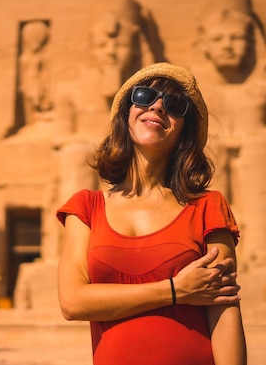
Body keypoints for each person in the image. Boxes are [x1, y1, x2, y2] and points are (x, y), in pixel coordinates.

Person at [56, 62, 246, 365]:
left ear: (185, 129)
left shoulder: (206, 206)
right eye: (144, 96)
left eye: (174, 105)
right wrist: (175, 290)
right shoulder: (86, 207)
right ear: (125, 114)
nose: (157, 106)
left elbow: (224, 312)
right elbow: (72, 303)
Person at [191, 0, 266, 261]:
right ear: (203, 44)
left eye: (236, 38)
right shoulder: (194, 87)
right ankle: (212, 246)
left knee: (263, 146)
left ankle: (262, 245)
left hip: (257, 151)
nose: (227, 46)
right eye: (218, 39)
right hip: (214, 152)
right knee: (210, 149)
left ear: (251, 41)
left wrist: (256, 135)